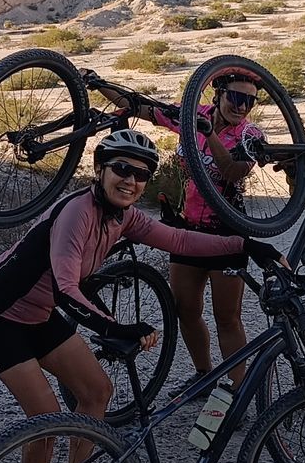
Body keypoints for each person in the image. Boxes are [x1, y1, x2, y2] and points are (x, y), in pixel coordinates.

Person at [0, 130, 282, 463]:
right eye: (122, 168)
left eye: (142, 174)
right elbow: (66, 288)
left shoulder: (122, 216)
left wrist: (245, 245)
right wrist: (117, 327)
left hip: (38, 313)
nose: (131, 180)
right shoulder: (78, 213)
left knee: (96, 391)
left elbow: (179, 241)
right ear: (99, 169)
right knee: (46, 417)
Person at [100, 73, 265, 390]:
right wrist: (96, 83)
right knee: (185, 310)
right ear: (218, 94)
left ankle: (237, 387)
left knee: (226, 317)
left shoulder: (250, 134)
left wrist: (209, 135)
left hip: (226, 232)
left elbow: (233, 171)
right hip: (188, 227)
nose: (242, 107)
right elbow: (142, 107)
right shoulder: (192, 114)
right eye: (236, 97)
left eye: (250, 101)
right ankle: (204, 375)